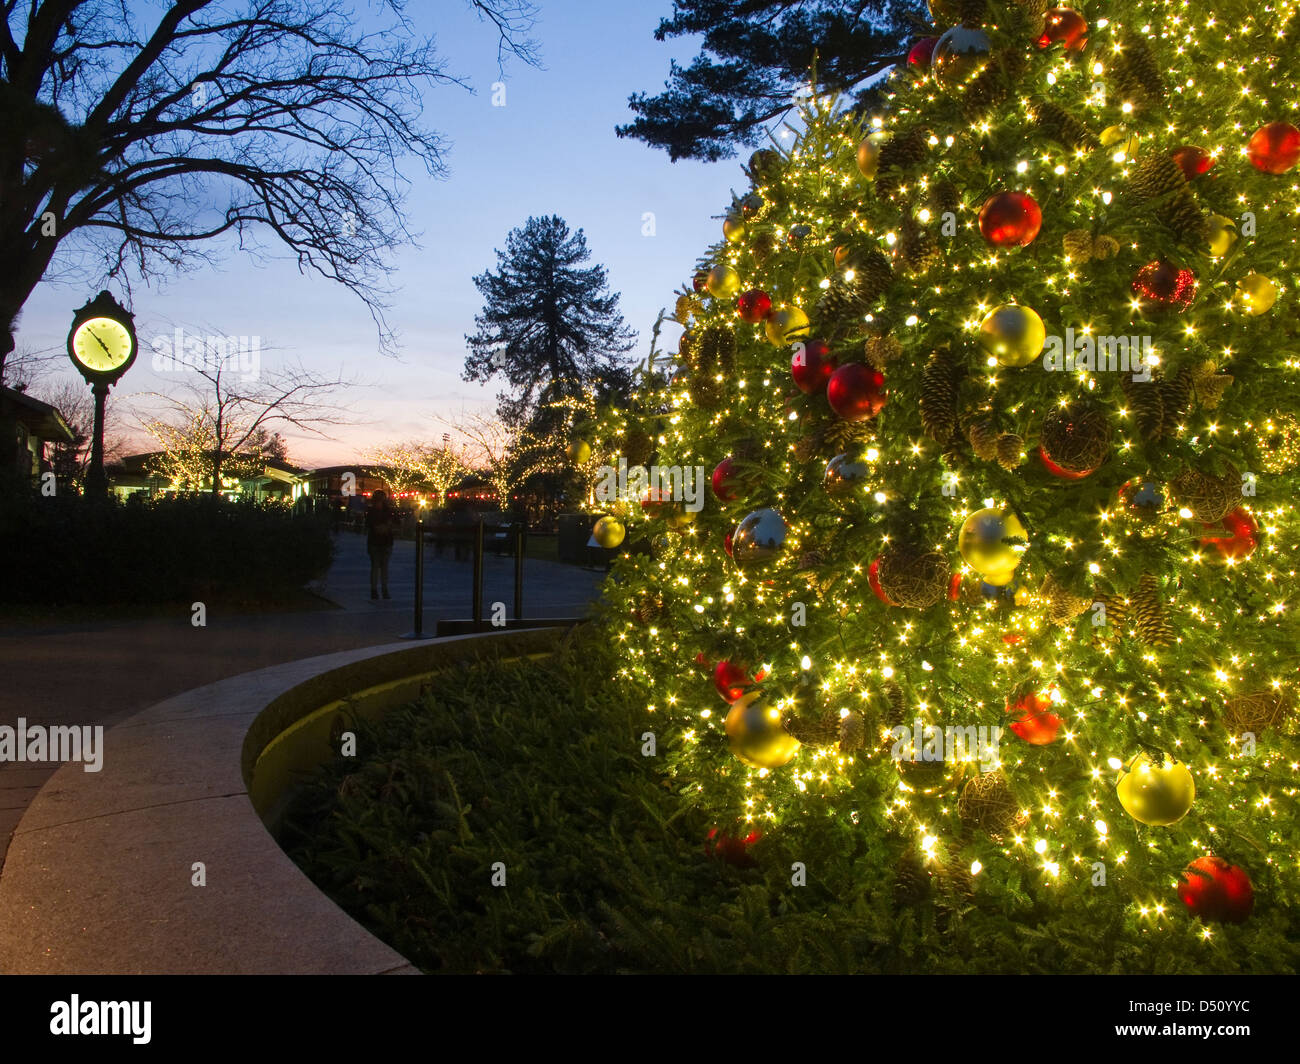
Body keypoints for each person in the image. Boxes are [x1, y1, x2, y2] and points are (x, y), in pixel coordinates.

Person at [365, 489, 396, 599]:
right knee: (381, 567)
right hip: (381, 541)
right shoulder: (385, 511)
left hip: (379, 542)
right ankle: (381, 590)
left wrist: (383, 527)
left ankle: (377, 590)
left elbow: (371, 526)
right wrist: (386, 527)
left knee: (378, 567)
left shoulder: (373, 511)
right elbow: (390, 524)